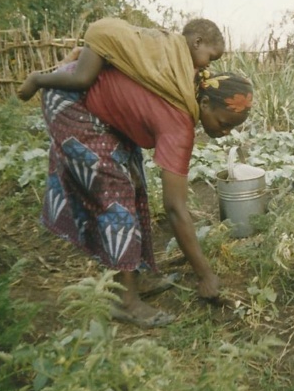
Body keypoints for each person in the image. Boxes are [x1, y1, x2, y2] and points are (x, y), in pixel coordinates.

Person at [31, 36, 253, 329]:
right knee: (115, 192)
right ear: (205, 102)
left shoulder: (189, 85)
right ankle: (124, 300)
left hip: (101, 103)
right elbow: (175, 208)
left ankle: (133, 273)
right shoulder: (179, 121)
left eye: (231, 128)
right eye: (223, 123)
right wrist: (205, 275)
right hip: (73, 100)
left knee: (134, 180)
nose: (224, 133)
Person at [17, 17, 225, 102]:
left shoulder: (176, 51)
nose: (207, 64)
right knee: (82, 79)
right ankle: (37, 79)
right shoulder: (172, 48)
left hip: (114, 42)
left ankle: (81, 54)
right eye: (210, 57)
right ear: (197, 42)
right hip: (106, 36)